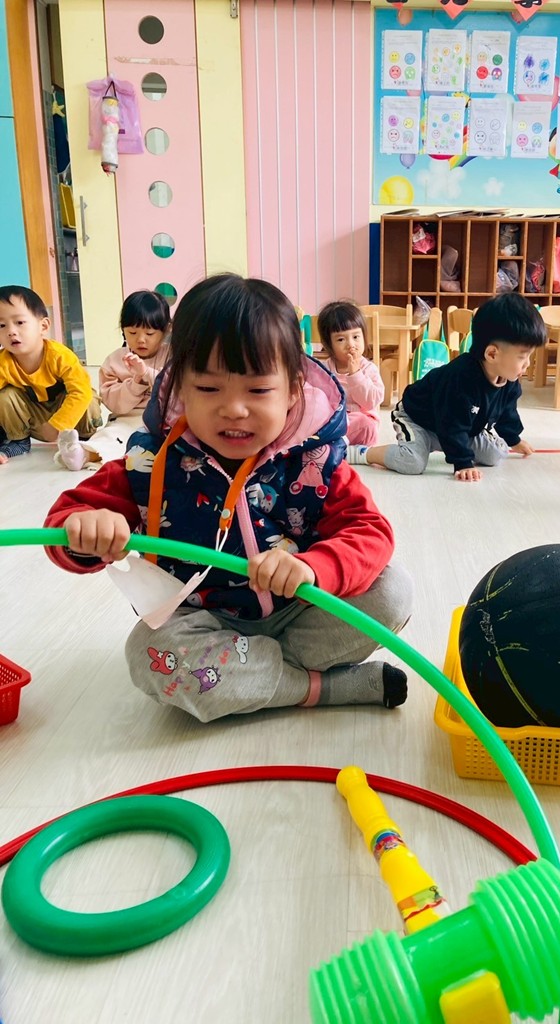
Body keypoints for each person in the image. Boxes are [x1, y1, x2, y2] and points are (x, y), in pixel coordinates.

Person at [45, 274, 413, 721]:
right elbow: (68, 516)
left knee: (392, 591)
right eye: (208, 388)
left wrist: (315, 568)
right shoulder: (149, 460)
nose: (234, 409)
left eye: (258, 390)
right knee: (149, 654)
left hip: (300, 612)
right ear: (180, 387)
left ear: (293, 389)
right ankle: (317, 686)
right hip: (204, 623)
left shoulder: (316, 459)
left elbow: (370, 532)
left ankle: (254, 677)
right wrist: (84, 528)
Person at [346, 293, 546, 482]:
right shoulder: (460, 379)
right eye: (522, 357)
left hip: (455, 424)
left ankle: (451, 443)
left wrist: (513, 439)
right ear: (492, 354)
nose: (528, 364)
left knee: (495, 455)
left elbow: (507, 412)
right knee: (412, 463)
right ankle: (363, 453)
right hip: (419, 419)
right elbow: (451, 422)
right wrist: (462, 463)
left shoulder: (509, 380)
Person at [56, 290, 172, 471]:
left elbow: (177, 390)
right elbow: (114, 403)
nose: (141, 340)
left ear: (166, 330)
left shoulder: (173, 355)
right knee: (112, 438)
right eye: (132, 332)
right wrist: (136, 382)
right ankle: (80, 454)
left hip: (164, 420)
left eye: (149, 333)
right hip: (127, 420)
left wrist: (146, 373)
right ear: (123, 330)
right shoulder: (114, 361)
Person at [0, 285, 101, 465]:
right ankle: (19, 441)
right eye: (1, 325)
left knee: (88, 396)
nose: (11, 331)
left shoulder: (59, 356)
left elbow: (81, 391)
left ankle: (86, 439)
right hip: (37, 420)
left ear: (43, 326)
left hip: (71, 421)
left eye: (20, 322)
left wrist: (59, 424)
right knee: (6, 396)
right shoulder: (3, 362)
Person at [316, 300, 384, 446]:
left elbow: (371, 401)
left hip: (360, 425)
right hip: (334, 422)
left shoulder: (369, 369)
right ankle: (333, 445)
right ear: (328, 344)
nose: (351, 345)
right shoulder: (324, 369)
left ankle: (337, 446)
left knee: (366, 424)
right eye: (341, 339)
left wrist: (356, 374)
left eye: (356, 337)